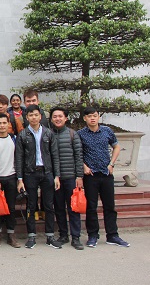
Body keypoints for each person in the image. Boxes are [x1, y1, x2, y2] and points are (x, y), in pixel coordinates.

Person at [78, 106, 129, 248]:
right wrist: (84, 166)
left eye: (95, 115)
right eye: (89, 116)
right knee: (91, 207)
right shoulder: (80, 134)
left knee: (109, 206)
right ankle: (93, 235)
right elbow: (77, 153)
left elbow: (116, 146)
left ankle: (112, 235)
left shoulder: (107, 131)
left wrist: (112, 164)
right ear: (85, 118)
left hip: (106, 174)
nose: (92, 118)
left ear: (99, 116)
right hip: (91, 175)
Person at [16, 104, 62, 249]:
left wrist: (57, 176)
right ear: (27, 117)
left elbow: (55, 156)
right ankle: (31, 236)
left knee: (48, 205)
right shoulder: (22, 135)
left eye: (36, 115)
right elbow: (19, 158)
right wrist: (20, 179)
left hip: (47, 172)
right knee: (31, 205)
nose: (34, 117)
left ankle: (50, 236)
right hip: (30, 173)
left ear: (40, 116)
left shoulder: (48, 133)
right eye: (31, 115)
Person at [50, 106, 84, 250]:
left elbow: (79, 156)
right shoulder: (48, 134)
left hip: (71, 177)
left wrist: (79, 175)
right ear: (51, 119)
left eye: (60, 116)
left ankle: (76, 237)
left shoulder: (72, 134)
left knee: (73, 208)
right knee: (58, 207)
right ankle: (63, 234)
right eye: (55, 116)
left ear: (66, 118)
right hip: (55, 179)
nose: (57, 119)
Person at [0, 113, 20, 248]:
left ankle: (11, 234)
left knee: (11, 207)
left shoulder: (14, 139)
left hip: (11, 177)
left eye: (4, 123)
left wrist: (19, 179)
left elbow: (18, 158)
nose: (2, 126)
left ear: (9, 124)